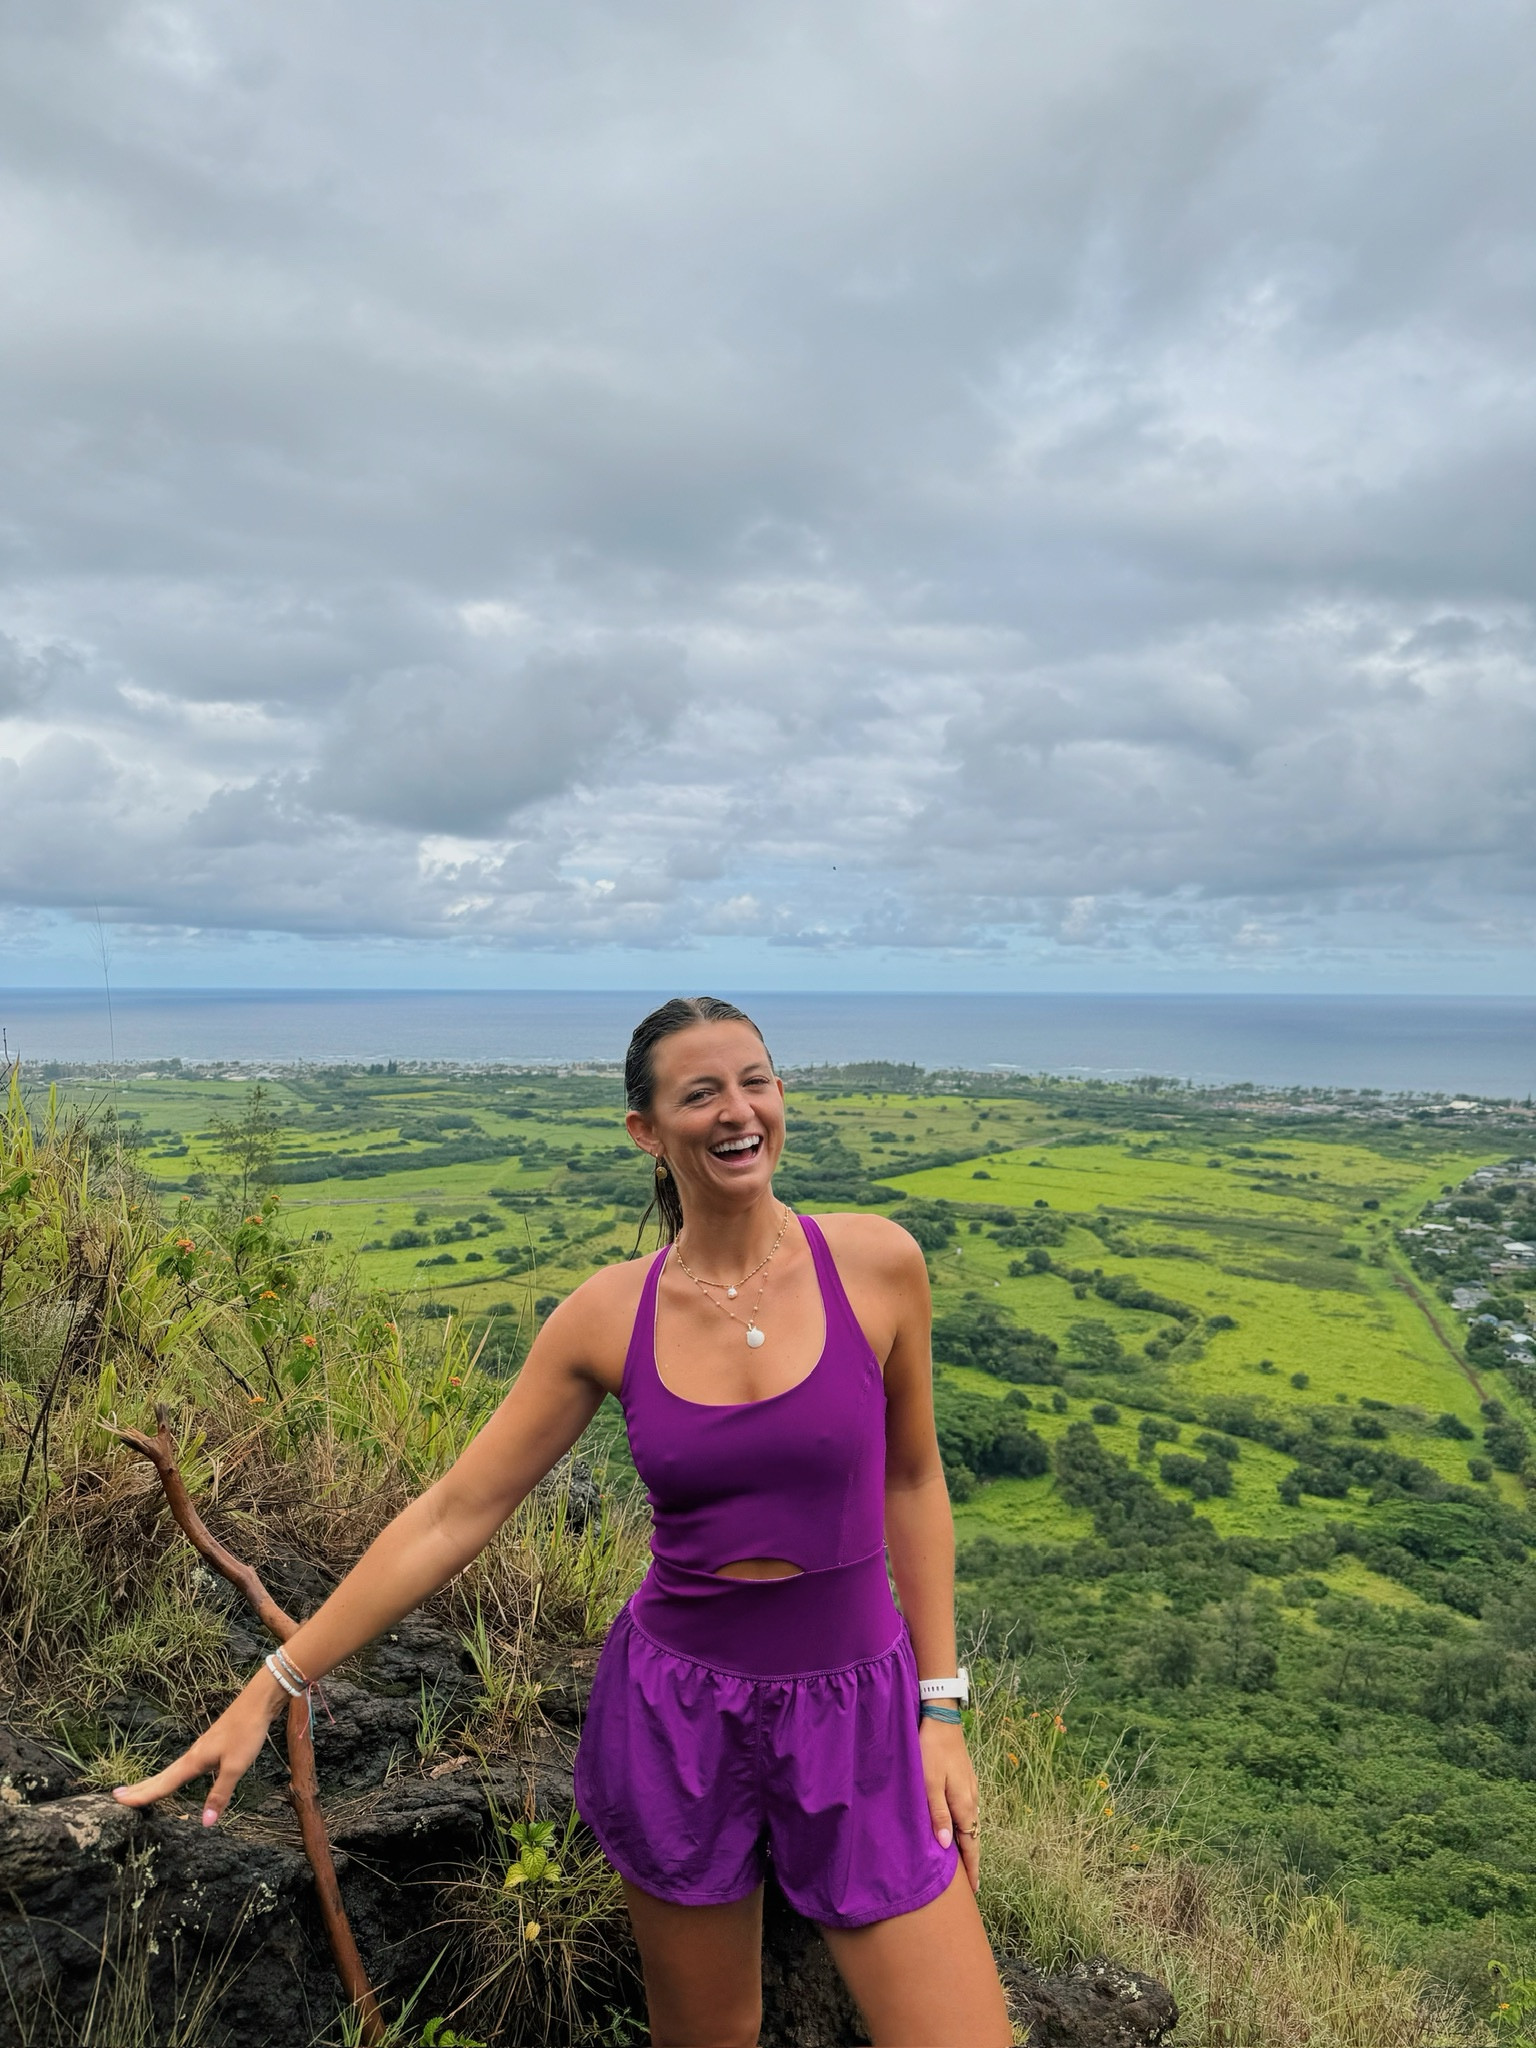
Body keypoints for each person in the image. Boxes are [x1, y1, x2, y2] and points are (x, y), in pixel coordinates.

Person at [115, 997, 1011, 2048]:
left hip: (857, 1704)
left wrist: (941, 1708)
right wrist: (276, 1681)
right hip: (681, 1713)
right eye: (702, 1091)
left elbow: (914, 1478)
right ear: (647, 1127)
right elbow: (456, 1509)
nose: (740, 1110)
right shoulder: (607, 1314)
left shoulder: (877, 1263)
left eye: (757, 1079)